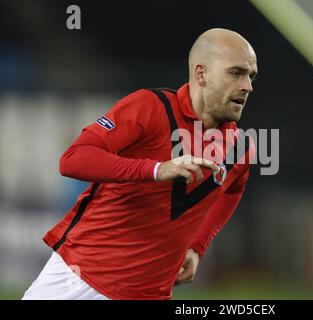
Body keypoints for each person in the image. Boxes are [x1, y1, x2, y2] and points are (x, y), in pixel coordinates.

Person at [22, 28, 258, 300]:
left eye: (251, 76)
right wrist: (156, 169)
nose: (247, 86)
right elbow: (73, 159)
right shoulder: (150, 108)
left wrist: (197, 246)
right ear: (201, 74)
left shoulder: (240, 147)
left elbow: (231, 191)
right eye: (236, 73)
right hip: (81, 280)